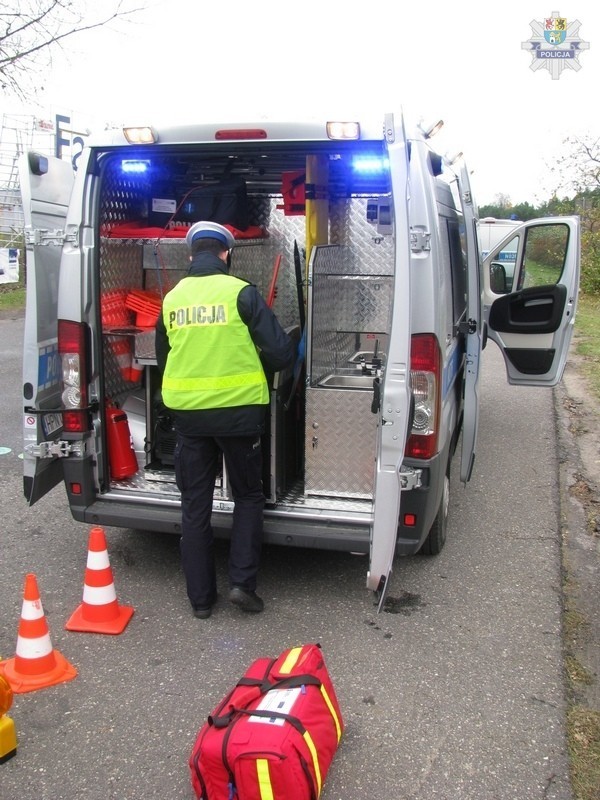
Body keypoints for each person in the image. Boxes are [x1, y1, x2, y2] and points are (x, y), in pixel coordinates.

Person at [155, 221, 294, 619]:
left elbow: (166, 362)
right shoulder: (241, 293)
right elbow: (282, 354)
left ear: (190, 256)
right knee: (247, 497)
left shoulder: (171, 300)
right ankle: (242, 586)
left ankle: (200, 601)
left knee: (194, 505)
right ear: (226, 254)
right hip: (239, 418)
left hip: (190, 422)